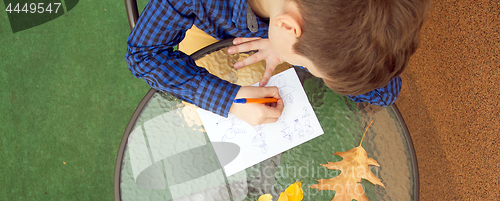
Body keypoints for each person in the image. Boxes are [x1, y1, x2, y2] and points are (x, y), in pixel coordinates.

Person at [125, 0, 429, 126]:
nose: (309, 71)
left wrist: (280, 43)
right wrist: (230, 100)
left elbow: (383, 92)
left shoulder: (292, 26)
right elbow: (143, 54)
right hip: (206, 34)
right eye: (310, 67)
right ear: (288, 26)